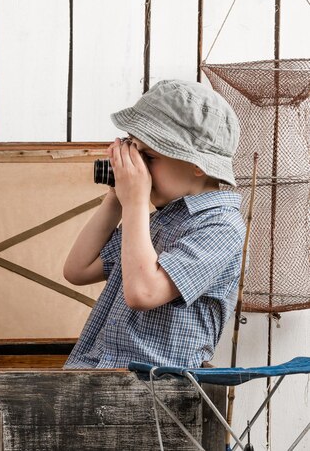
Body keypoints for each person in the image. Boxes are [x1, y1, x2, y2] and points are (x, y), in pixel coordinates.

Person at [64, 80, 246, 369]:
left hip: (156, 390)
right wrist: (117, 196)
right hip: (99, 373)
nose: (139, 170)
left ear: (198, 165)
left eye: (148, 157)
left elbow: (144, 293)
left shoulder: (221, 227)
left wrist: (135, 201)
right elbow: (78, 270)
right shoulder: (160, 220)